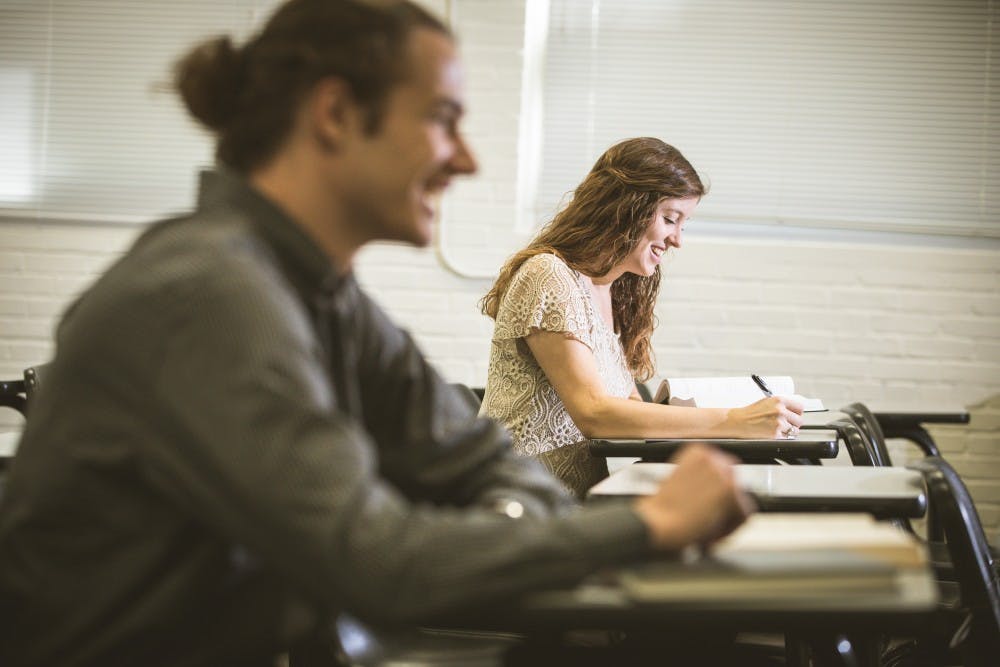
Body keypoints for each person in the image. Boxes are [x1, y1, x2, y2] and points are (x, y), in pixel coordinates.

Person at [0, 2, 753, 665]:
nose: (466, 158)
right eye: (443, 120)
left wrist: (514, 518)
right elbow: (374, 558)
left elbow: (476, 453)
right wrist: (644, 525)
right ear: (334, 113)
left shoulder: (319, 290)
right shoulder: (209, 294)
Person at [480, 138, 804, 497]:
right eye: (670, 219)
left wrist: (734, 414)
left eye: (684, 224)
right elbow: (595, 414)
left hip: (569, 498)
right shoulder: (548, 274)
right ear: (624, 209)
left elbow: (628, 407)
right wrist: (735, 422)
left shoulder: (609, 289)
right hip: (516, 498)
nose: (677, 240)